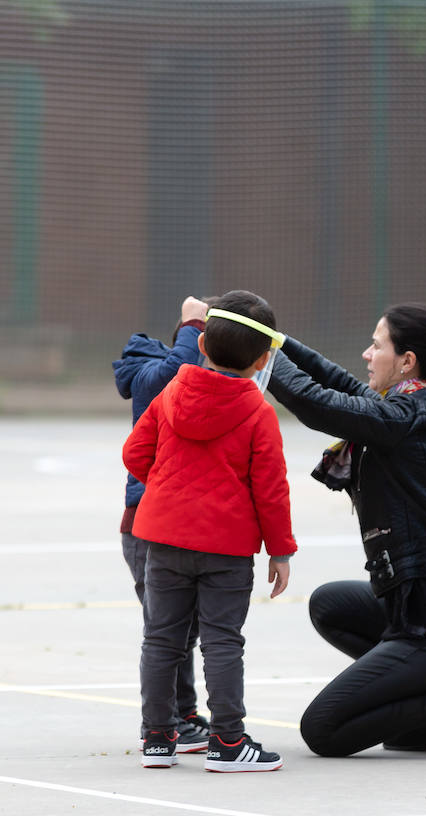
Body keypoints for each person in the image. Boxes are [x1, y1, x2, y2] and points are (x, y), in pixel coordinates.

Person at [265, 302, 426, 760]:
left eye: (376, 345)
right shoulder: (405, 406)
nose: (366, 354)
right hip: (419, 606)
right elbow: (333, 382)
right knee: (330, 605)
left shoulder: (408, 419)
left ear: (407, 361)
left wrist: (255, 348)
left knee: (323, 730)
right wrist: (271, 338)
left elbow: (320, 404)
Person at [122, 290, 297, 772]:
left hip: (162, 538)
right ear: (264, 360)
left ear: (202, 345)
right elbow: (271, 490)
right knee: (222, 641)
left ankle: (158, 738)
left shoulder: (172, 392)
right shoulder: (259, 414)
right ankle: (227, 743)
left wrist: (165, 484)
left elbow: (134, 453)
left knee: (161, 639)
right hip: (226, 549)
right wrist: (280, 552)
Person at [113, 295, 214, 753]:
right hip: (145, 524)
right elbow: (169, 376)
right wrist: (194, 322)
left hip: (178, 522)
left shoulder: (199, 380)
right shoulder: (150, 371)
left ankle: (184, 713)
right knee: (166, 628)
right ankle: (162, 722)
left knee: (183, 626)